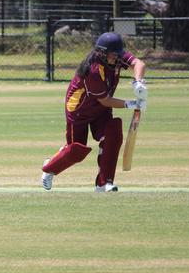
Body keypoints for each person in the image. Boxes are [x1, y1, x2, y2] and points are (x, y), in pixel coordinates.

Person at [40, 32, 147, 193]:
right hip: (79, 111)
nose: (117, 58)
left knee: (113, 134)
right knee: (77, 151)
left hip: (101, 109)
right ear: (102, 54)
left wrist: (138, 82)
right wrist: (131, 103)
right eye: (113, 55)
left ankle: (104, 183)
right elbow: (105, 100)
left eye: (118, 54)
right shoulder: (94, 71)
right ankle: (50, 168)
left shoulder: (115, 55)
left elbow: (139, 64)